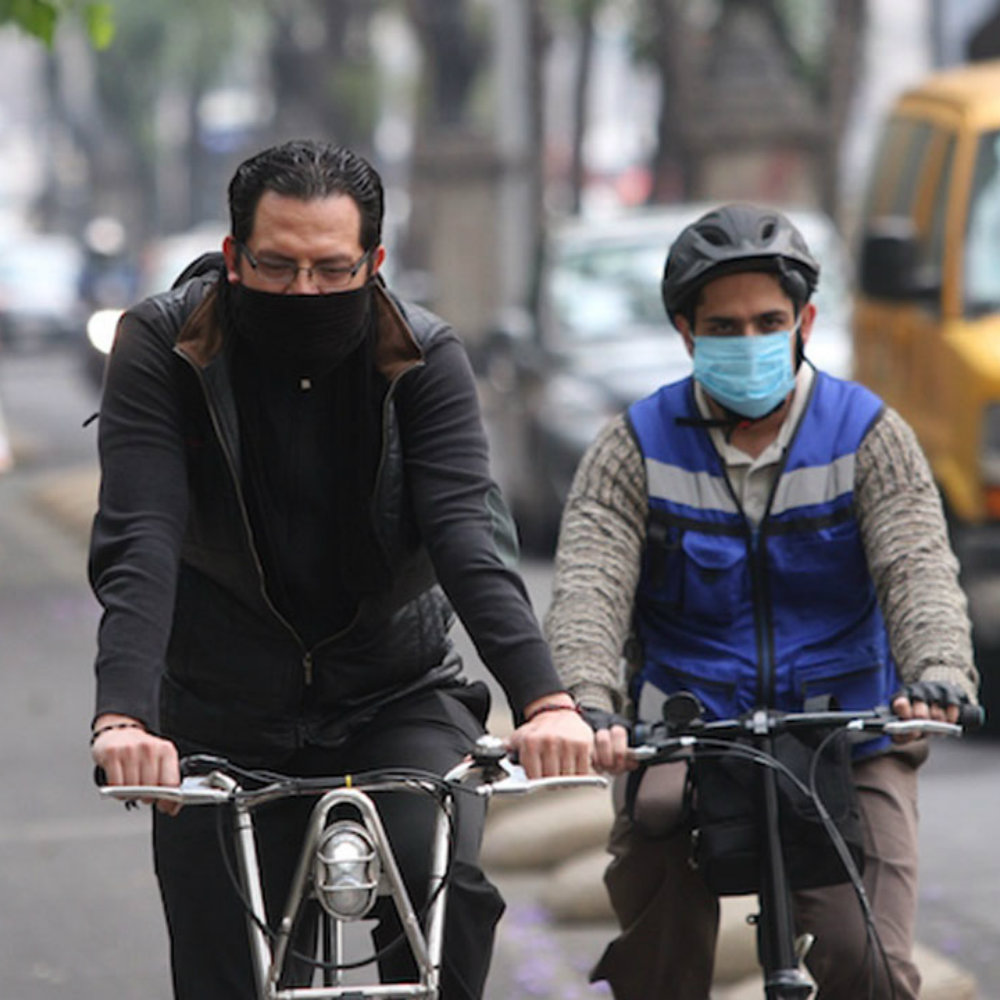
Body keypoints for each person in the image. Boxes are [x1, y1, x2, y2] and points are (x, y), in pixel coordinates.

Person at [88, 138, 594, 1000]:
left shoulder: (424, 358)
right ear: (232, 258)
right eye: (277, 267)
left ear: (375, 261)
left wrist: (547, 701)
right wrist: (124, 721)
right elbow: (142, 535)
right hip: (221, 706)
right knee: (220, 957)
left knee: (442, 889)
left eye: (331, 270)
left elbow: (468, 538)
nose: (304, 292)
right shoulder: (162, 347)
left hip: (394, 694)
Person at [543, 203, 979, 1000]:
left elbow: (918, 567)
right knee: (657, 963)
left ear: (805, 320)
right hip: (687, 732)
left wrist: (940, 671)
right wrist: (587, 704)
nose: (750, 343)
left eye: (769, 321)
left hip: (846, 733)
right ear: (686, 331)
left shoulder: (869, 433)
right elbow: (587, 589)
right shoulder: (631, 447)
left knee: (869, 965)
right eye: (725, 326)